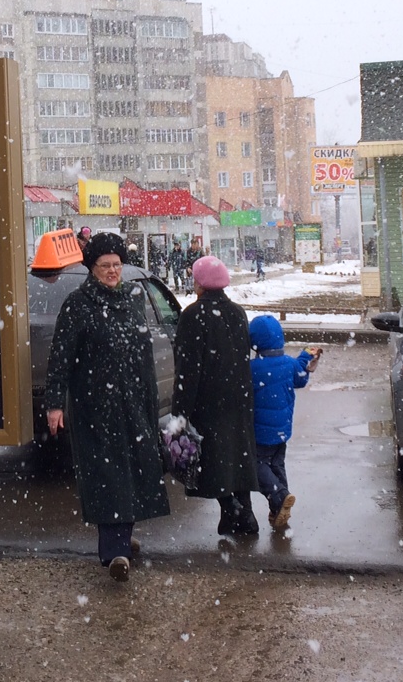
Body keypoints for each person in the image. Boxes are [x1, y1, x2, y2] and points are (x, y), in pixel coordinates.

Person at [44, 232, 170, 581]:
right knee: (108, 475)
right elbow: (61, 358)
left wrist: (148, 395)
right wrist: (55, 403)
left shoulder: (132, 297)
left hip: (134, 400)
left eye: (116, 264)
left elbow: (142, 352)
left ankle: (121, 538)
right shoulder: (78, 304)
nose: (113, 271)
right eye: (105, 265)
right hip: (95, 405)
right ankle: (114, 551)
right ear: (92, 268)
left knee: (134, 469)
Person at [173, 254, 260, 537]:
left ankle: (232, 509)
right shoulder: (237, 312)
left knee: (212, 460)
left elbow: (187, 368)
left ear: (199, 283)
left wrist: (181, 411)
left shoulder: (192, 316)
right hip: (238, 397)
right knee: (237, 456)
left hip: (207, 401)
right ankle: (242, 515)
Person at [248, 315, 322, 532]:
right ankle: (279, 508)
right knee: (277, 464)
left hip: (260, 432)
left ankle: (279, 497)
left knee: (257, 465)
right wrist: (305, 356)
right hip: (282, 429)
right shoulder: (289, 364)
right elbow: (300, 376)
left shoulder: (252, 368)